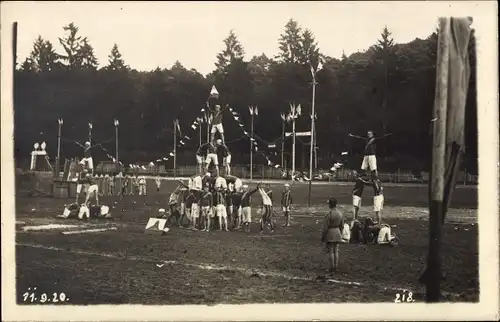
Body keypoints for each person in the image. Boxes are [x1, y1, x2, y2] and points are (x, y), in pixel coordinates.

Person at [321, 198, 345, 275]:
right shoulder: (340, 213)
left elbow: (325, 228)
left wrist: (323, 237)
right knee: (336, 251)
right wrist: (340, 234)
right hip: (337, 233)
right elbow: (342, 226)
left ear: (330, 204)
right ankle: (336, 267)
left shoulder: (329, 214)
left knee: (331, 251)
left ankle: (332, 267)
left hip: (330, 233)